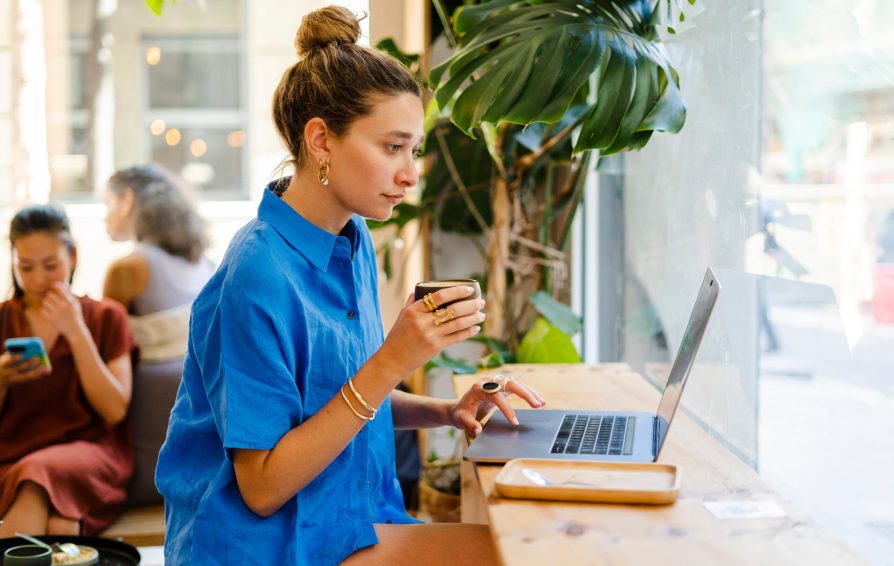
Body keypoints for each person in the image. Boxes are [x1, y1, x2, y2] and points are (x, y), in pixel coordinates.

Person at [155, 6, 546, 565]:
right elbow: (262, 487)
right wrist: (394, 357)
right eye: (392, 147)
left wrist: (443, 411)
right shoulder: (255, 277)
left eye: (414, 150)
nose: (410, 173)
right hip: (267, 547)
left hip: (351, 518)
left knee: (529, 547)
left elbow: (333, 399)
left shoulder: (351, 237)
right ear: (321, 140)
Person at [0, 204, 136, 537]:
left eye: (50, 265)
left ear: (72, 256)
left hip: (89, 453)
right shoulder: (3, 319)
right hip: (13, 455)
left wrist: (76, 332)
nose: (38, 280)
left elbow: (114, 409)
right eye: (25, 267)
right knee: (61, 523)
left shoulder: (106, 317)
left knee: (36, 474)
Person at [103, 164, 215, 362]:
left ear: (127, 200)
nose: (105, 217)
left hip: (144, 381)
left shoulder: (126, 269)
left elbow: (106, 347)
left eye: (108, 204)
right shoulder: (203, 262)